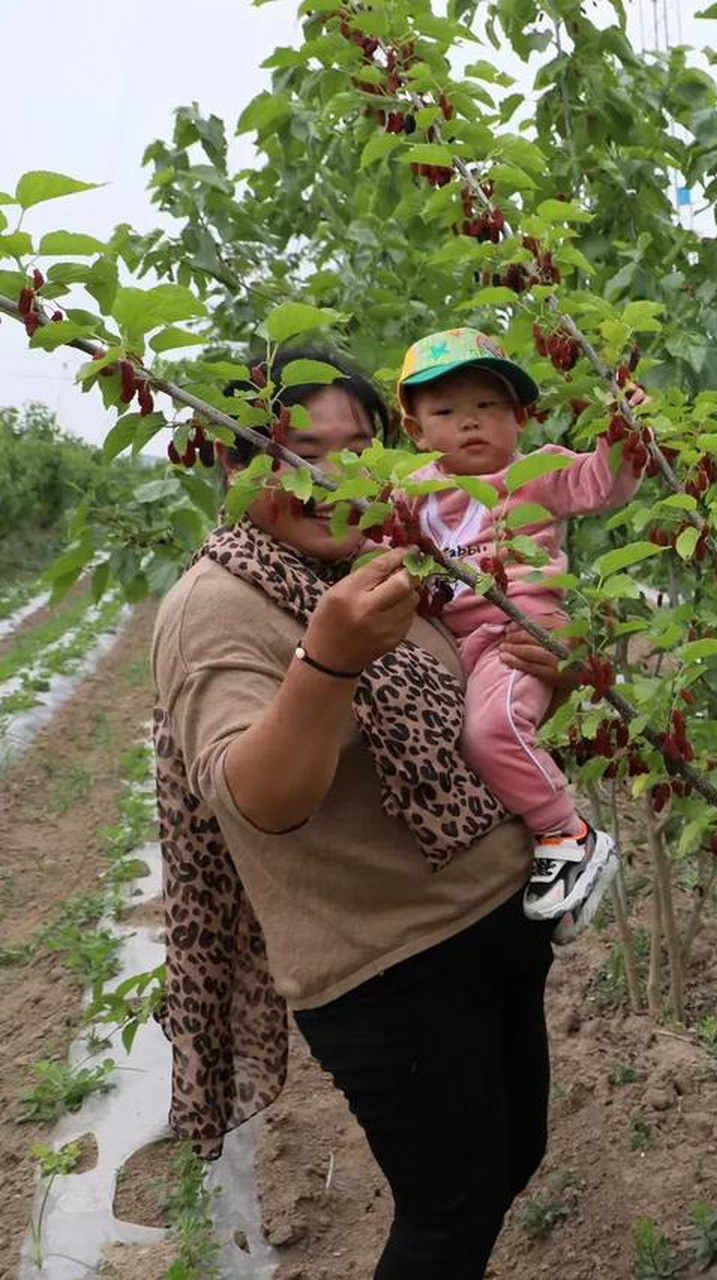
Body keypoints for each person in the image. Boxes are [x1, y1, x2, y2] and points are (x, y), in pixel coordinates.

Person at [153, 348, 578, 1277]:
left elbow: (471, 712)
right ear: (234, 467)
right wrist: (329, 660)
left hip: (493, 922)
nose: (331, 478)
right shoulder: (217, 606)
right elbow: (258, 799)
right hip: (389, 969)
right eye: (298, 452)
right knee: (450, 1206)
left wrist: (562, 679)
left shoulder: (396, 566)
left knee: (511, 1161)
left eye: (358, 450)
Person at [395, 326, 640, 926]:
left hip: (522, 633)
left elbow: (600, 483)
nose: (470, 423)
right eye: (447, 410)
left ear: (520, 418)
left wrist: (623, 432)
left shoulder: (536, 472)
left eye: (488, 407)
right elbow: (376, 547)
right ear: (415, 430)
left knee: (493, 729)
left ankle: (568, 835)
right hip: (462, 647)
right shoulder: (407, 495)